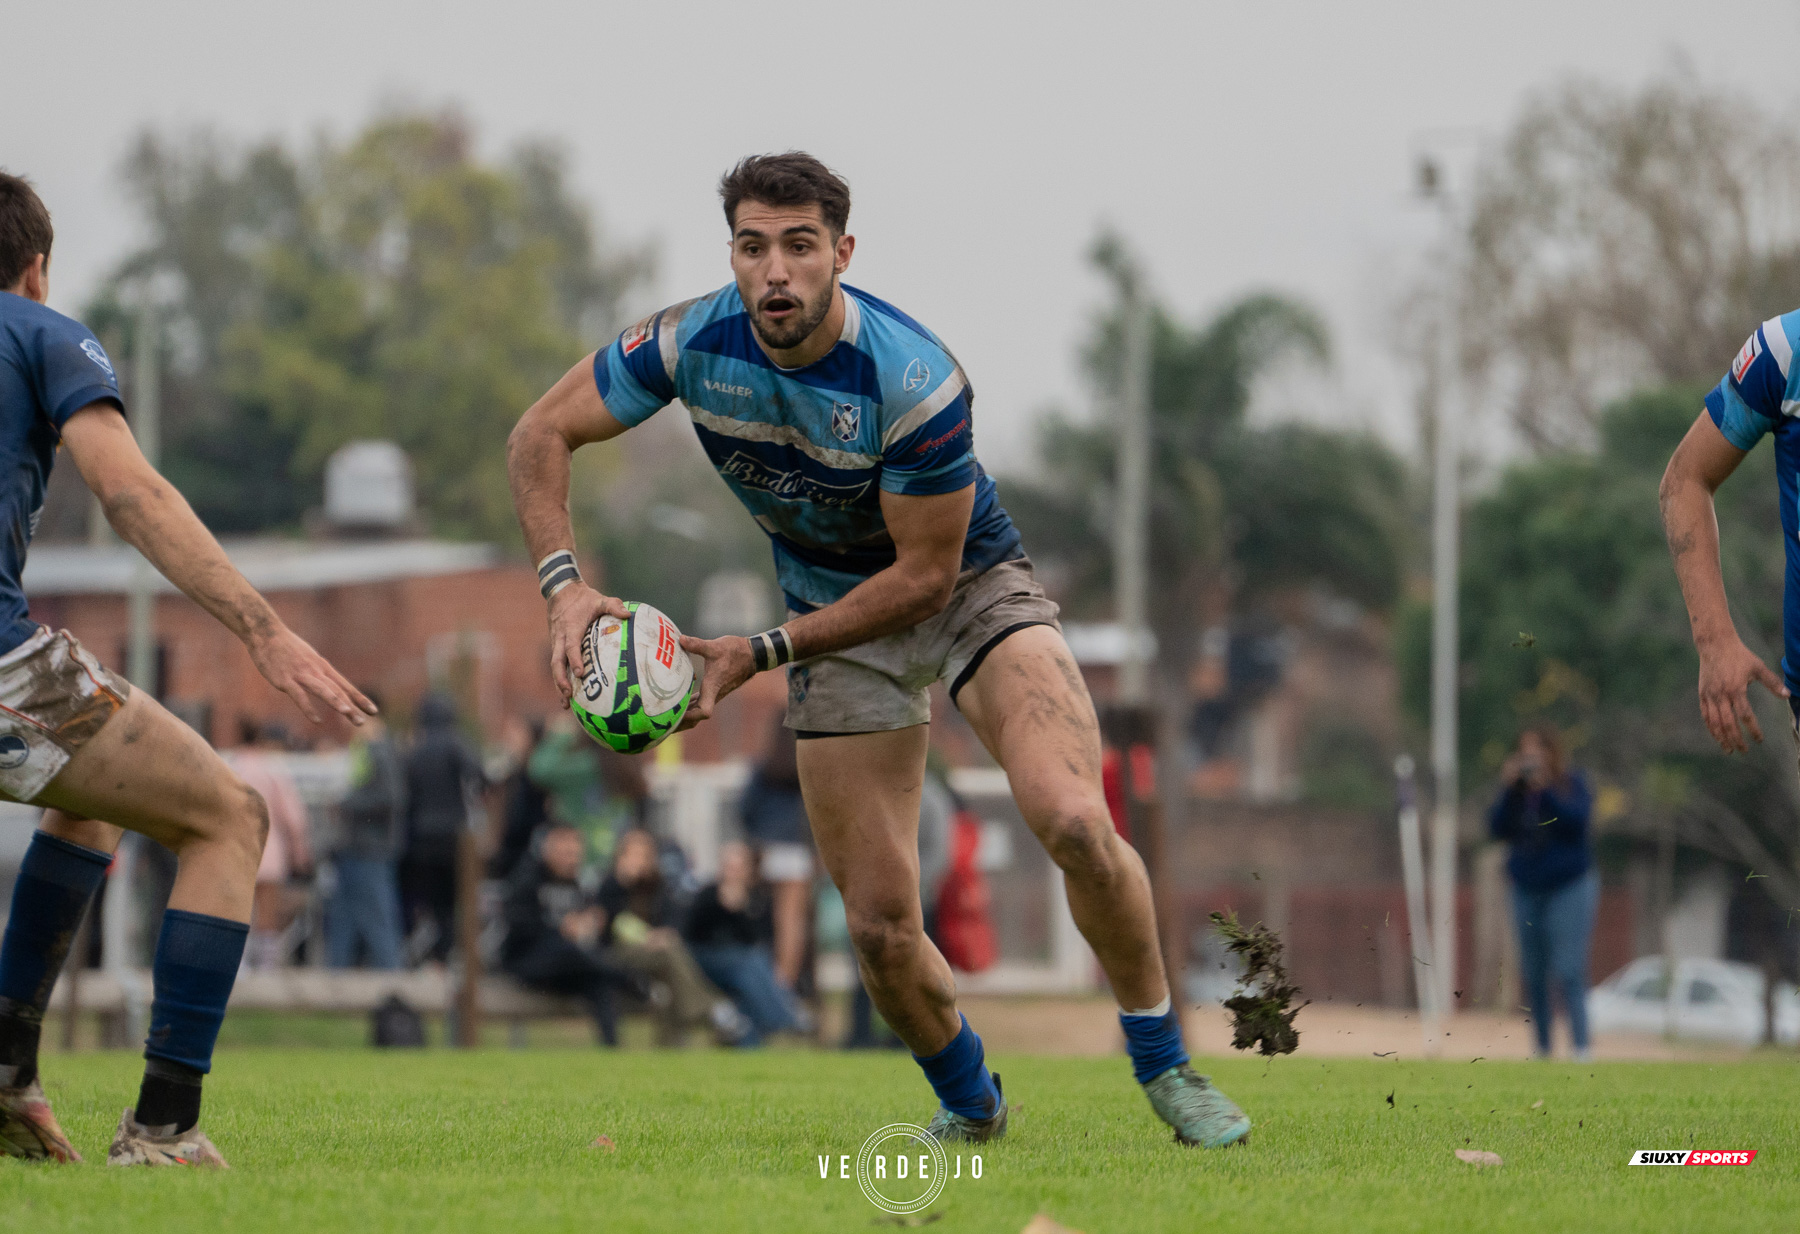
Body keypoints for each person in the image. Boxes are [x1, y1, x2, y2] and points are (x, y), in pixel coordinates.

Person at [507, 152, 1246, 1146]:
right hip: (827, 611)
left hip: (967, 587)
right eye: (753, 246)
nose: (775, 271)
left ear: (842, 254)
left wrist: (756, 652)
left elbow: (923, 580)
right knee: (879, 928)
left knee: (1073, 817)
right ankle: (972, 1104)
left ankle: (1165, 1064)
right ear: (730, 253)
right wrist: (564, 590)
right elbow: (540, 432)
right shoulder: (686, 344)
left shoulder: (915, 380)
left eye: (799, 247)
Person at [0, 171, 376, 1167]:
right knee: (228, 815)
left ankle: (4, 1076)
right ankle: (163, 1128)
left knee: (91, 794)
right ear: (35, 269)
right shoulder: (41, 331)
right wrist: (260, 628)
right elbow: (127, 492)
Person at [1486, 726, 1597, 1058]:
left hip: (1569, 885)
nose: (1530, 761)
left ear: (1552, 753)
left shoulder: (1571, 784)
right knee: (1533, 970)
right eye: (1525, 754)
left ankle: (1581, 1049)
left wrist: (1546, 790)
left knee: (1568, 968)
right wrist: (1508, 790)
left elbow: (1576, 823)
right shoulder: (1517, 795)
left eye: (1537, 753)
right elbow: (1495, 829)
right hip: (1527, 888)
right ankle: (1543, 1049)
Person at [598, 828, 743, 1046]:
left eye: (644, 854)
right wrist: (622, 882)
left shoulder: (658, 887)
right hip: (617, 957)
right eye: (633, 854)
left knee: (667, 984)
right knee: (668, 952)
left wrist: (662, 935)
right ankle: (714, 1010)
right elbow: (609, 925)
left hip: (656, 962)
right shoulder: (610, 884)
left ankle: (672, 1049)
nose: (639, 860)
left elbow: (674, 922)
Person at [500, 824, 640, 1046]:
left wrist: (593, 922)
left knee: (598, 983)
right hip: (529, 962)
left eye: (575, 854)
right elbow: (520, 929)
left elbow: (595, 926)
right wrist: (561, 928)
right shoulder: (527, 878)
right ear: (548, 849)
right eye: (565, 853)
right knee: (566, 949)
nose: (571, 859)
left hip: (570, 966)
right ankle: (628, 979)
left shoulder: (580, 886)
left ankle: (612, 1053)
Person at [682, 841, 803, 1045]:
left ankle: (749, 1045)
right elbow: (691, 934)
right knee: (751, 962)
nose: (733, 874)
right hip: (708, 960)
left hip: (744, 968)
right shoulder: (707, 894)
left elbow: (758, 938)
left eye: (738, 869)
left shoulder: (757, 900)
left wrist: (741, 911)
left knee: (749, 982)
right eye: (730, 868)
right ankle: (784, 1018)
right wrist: (719, 905)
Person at [399, 692, 484, 964]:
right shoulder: (457, 745)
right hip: (453, 835)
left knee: (431, 902)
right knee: (454, 901)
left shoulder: (416, 749)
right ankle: (447, 952)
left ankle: (433, 953)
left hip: (421, 836)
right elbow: (479, 776)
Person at [325, 698, 406, 970]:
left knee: (376, 919)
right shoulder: (367, 749)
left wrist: (345, 804)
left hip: (370, 847)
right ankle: (336, 984)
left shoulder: (378, 750)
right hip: (358, 847)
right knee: (345, 919)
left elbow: (389, 797)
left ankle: (392, 982)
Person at [736, 719, 814, 990]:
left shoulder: (763, 769)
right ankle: (784, 985)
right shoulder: (804, 770)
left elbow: (745, 808)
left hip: (765, 850)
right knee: (790, 922)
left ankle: (761, 980)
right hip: (797, 852)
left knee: (762, 919)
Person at [231, 721, 313, 970]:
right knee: (267, 916)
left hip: (237, 850)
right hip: (270, 848)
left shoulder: (231, 766)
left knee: (239, 911)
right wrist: (301, 853)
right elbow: (294, 817)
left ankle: (239, 965)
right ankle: (266, 969)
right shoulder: (273, 768)